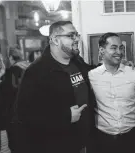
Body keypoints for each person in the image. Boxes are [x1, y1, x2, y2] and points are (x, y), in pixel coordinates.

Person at [14, 21, 96, 153]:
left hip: (83, 143)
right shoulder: (36, 72)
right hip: (56, 146)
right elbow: (24, 115)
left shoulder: (77, 62)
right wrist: (65, 117)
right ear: (55, 40)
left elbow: (92, 72)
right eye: (71, 36)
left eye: (77, 35)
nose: (76, 39)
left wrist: (116, 66)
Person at [88, 32, 135, 153]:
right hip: (102, 140)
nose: (119, 52)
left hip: (131, 139)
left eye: (121, 48)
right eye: (113, 48)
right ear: (102, 50)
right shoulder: (91, 76)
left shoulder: (134, 74)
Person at [0, 45, 30, 152]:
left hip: (14, 116)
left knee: (16, 145)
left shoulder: (11, 72)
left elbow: (5, 95)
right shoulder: (31, 68)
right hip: (30, 114)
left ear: (11, 57)